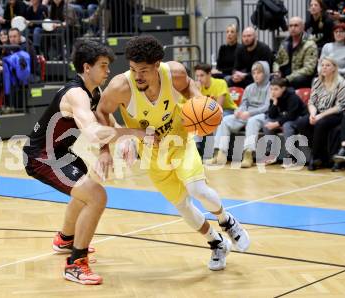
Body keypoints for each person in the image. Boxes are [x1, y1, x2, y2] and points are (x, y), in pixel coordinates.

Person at [96, 35, 250, 271]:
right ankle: (216, 243)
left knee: (197, 189)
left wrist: (199, 102)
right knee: (182, 206)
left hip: (180, 141)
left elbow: (189, 85)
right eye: (133, 69)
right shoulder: (120, 87)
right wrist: (107, 148)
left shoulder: (173, 73)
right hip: (152, 154)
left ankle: (226, 220)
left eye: (144, 70)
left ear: (157, 65)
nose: (138, 76)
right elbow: (101, 112)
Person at [23, 40, 147, 285]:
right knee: (96, 196)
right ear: (86, 67)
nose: (108, 70)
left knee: (85, 191)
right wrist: (135, 134)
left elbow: (108, 121)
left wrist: (109, 149)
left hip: (60, 151)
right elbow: (93, 132)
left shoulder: (95, 92)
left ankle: (66, 239)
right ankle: (75, 265)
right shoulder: (76, 94)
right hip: (41, 157)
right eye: (103, 65)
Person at [294, 57, 345, 170]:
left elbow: (340, 106)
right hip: (318, 112)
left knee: (320, 124)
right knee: (301, 123)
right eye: (322, 65)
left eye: (328, 65)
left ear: (334, 68)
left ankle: (315, 157)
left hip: (335, 114)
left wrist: (320, 116)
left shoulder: (342, 83)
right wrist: (313, 114)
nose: (324, 67)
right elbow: (311, 101)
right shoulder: (317, 81)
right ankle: (321, 155)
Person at [213, 61, 270, 168]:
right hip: (246, 114)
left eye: (259, 73)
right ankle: (220, 152)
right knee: (225, 120)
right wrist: (239, 111)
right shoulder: (249, 88)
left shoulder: (270, 87)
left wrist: (249, 113)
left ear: (265, 73)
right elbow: (244, 104)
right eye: (254, 73)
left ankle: (248, 154)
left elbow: (267, 107)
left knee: (252, 121)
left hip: (263, 115)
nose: (256, 75)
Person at [263, 78, 307, 166]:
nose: (273, 92)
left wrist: (277, 123)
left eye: (276, 89)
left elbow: (292, 116)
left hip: (299, 118)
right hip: (285, 118)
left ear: (283, 88)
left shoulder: (292, 97)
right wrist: (274, 102)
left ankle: (291, 156)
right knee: (267, 123)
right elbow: (271, 115)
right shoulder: (274, 97)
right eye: (271, 89)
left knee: (287, 126)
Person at [273, 17, 318, 89]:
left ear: (303, 27)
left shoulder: (310, 44)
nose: (293, 28)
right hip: (284, 76)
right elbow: (277, 61)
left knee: (298, 80)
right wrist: (276, 71)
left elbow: (309, 69)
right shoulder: (284, 43)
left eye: (296, 25)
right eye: (290, 26)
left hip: (300, 77)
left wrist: (288, 78)